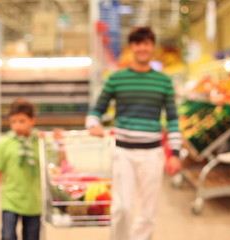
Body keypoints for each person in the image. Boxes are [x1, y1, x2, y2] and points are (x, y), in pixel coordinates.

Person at [86, 27, 182, 240]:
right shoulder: (116, 79)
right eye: (137, 43)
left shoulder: (164, 82)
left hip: (152, 154)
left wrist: (175, 153)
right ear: (132, 47)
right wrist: (93, 124)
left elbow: (173, 119)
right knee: (122, 208)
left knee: (147, 212)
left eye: (146, 43)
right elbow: (97, 109)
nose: (142, 48)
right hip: (122, 152)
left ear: (152, 47)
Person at [0, 98, 41, 240]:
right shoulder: (5, 143)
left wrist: (58, 143)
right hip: (10, 200)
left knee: (32, 236)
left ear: (32, 121)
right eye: (13, 122)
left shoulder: (41, 142)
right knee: (8, 236)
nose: (17, 126)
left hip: (34, 201)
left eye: (22, 121)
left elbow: (58, 164)